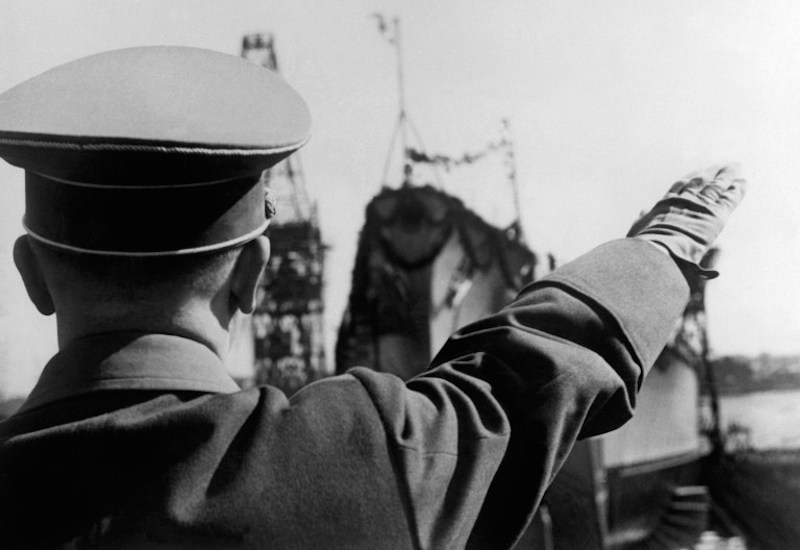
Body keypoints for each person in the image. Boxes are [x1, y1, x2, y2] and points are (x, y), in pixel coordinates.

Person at [0, 46, 746, 550]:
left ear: (31, 273)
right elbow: (521, 381)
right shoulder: (357, 462)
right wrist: (660, 253)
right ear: (255, 274)